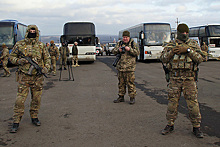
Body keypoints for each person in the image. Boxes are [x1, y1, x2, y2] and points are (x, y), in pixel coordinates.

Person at [160, 23, 204, 138]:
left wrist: (188, 50)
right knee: (172, 104)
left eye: (186, 33)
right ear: (178, 33)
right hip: (175, 78)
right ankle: (170, 124)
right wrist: (172, 52)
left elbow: (201, 59)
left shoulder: (193, 44)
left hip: (189, 79)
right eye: (182, 33)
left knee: (193, 104)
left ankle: (196, 127)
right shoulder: (171, 44)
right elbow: (163, 58)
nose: (184, 34)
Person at [9, 25, 51, 133]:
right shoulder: (20, 45)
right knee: (19, 100)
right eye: (30, 31)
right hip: (24, 77)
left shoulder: (41, 45)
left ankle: (34, 116)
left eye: (34, 31)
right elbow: (11, 57)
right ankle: (16, 121)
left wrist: (46, 68)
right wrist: (19, 61)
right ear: (27, 32)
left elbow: (47, 58)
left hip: (37, 77)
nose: (32, 32)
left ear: (36, 32)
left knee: (36, 99)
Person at [112, 30, 140, 105]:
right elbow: (113, 51)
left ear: (129, 37)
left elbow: (137, 53)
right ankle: (121, 97)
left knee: (130, 83)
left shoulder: (133, 44)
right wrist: (118, 50)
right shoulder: (120, 43)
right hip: (121, 68)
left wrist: (129, 49)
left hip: (129, 68)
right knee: (121, 83)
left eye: (126, 37)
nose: (125, 39)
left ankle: (132, 97)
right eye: (124, 37)